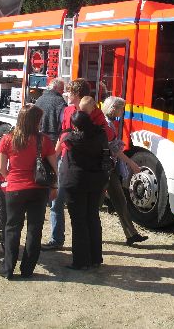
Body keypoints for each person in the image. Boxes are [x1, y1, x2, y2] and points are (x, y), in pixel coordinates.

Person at [0, 104, 58, 279]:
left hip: (15, 188)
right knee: (34, 229)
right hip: (38, 189)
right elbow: (55, 167)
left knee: (12, 228)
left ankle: (8, 268)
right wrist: (54, 186)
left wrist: (11, 179)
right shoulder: (44, 140)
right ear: (36, 121)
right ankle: (27, 269)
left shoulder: (7, 139)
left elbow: (1, 168)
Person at [42, 78, 91, 251]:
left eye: (69, 92)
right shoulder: (68, 110)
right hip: (65, 160)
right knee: (56, 201)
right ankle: (57, 239)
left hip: (82, 165)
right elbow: (63, 134)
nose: (66, 94)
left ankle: (84, 247)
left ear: (77, 94)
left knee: (80, 207)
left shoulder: (93, 113)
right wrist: (54, 155)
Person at [96, 96, 148, 246]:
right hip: (105, 168)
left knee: (119, 200)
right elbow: (115, 149)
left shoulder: (107, 122)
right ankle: (90, 234)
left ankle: (132, 234)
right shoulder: (107, 124)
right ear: (113, 109)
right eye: (121, 109)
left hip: (108, 168)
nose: (122, 112)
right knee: (100, 203)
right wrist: (131, 163)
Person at [60, 111, 108, 270]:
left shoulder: (71, 139)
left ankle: (81, 260)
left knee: (79, 221)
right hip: (96, 180)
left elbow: (63, 138)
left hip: (76, 181)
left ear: (75, 126)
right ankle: (95, 258)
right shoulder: (100, 134)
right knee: (92, 217)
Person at [35, 78, 67, 144]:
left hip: (39, 136)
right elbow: (63, 122)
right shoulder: (60, 102)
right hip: (53, 139)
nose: (63, 92)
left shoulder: (39, 99)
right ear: (55, 88)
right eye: (61, 89)